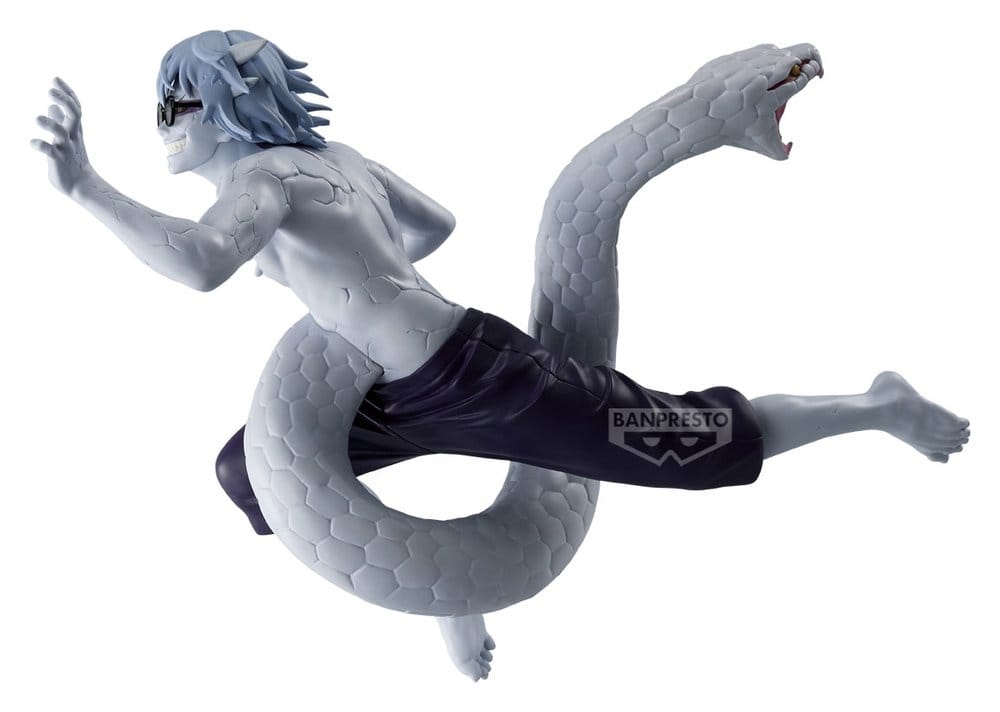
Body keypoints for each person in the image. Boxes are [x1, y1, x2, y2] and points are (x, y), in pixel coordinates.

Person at [34, 30, 970, 539]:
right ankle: (450, 582)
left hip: (481, 377)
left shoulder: (260, 180)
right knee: (249, 478)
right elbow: (434, 226)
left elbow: (201, 263)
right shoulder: (337, 161)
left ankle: (876, 406)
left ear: (225, 107)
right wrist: (365, 278)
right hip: (403, 389)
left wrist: (85, 187)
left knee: (685, 445)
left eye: (173, 103)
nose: (163, 124)